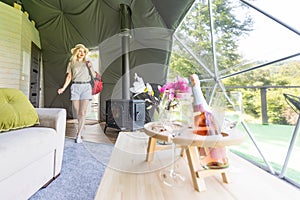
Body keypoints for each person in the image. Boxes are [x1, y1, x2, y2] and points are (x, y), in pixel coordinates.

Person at [58, 44, 96, 143]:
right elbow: (69, 77)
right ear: (76, 52)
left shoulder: (87, 62)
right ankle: (81, 125)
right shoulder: (72, 63)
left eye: (83, 51)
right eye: (80, 51)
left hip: (86, 87)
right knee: (77, 110)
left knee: (82, 112)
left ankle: (78, 134)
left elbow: (94, 75)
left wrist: (91, 67)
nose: (82, 53)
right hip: (75, 87)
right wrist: (63, 88)